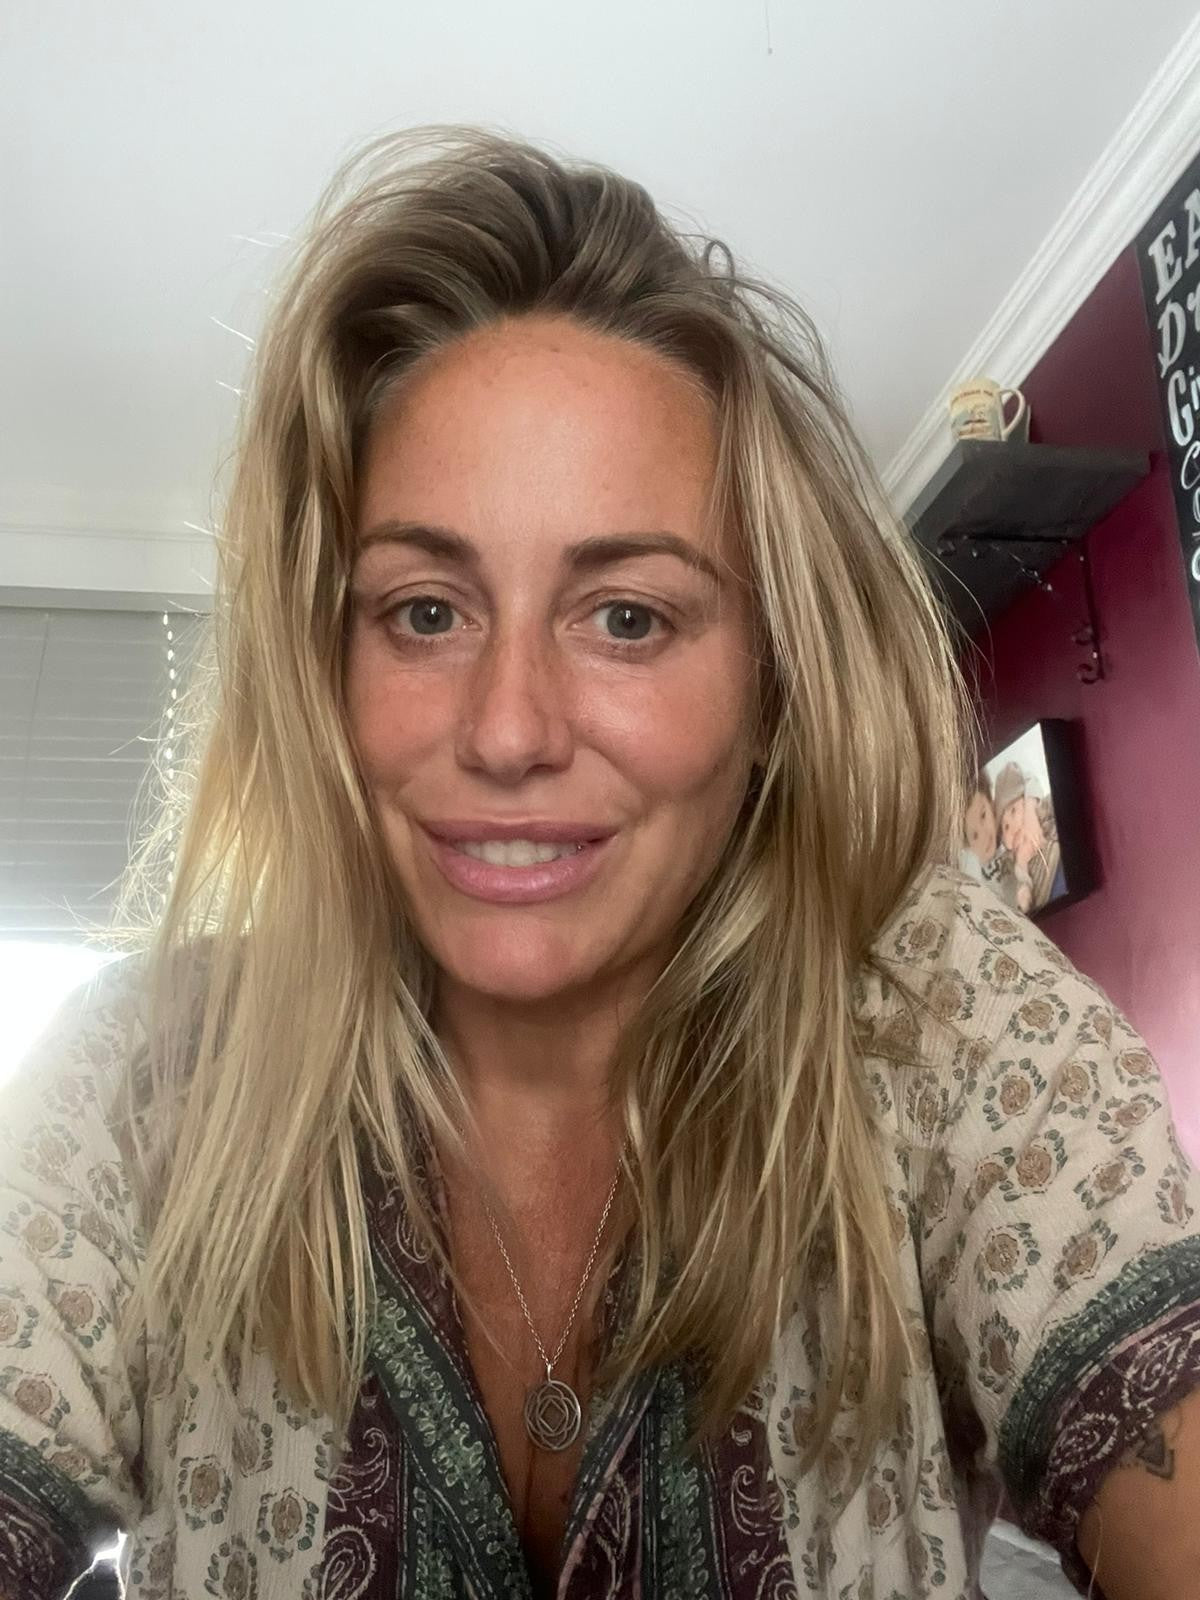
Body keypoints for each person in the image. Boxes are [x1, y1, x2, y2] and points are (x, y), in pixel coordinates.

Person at [1, 127, 1198, 1600]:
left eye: (627, 617)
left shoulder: (926, 1009)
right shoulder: (143, 1074)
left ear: (770, 690)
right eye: (425, 612)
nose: (508, 730)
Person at [994, 761, 1067, 914]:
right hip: (1047, 900)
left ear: (1026, 802)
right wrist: (1021, 866)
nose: (1013, 826)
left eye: (1014, 811)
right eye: (1005, 827)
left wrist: (1031, 812)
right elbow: (1015, 903)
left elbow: (1030, 780)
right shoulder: (1008, 864)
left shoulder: (1042, 812)